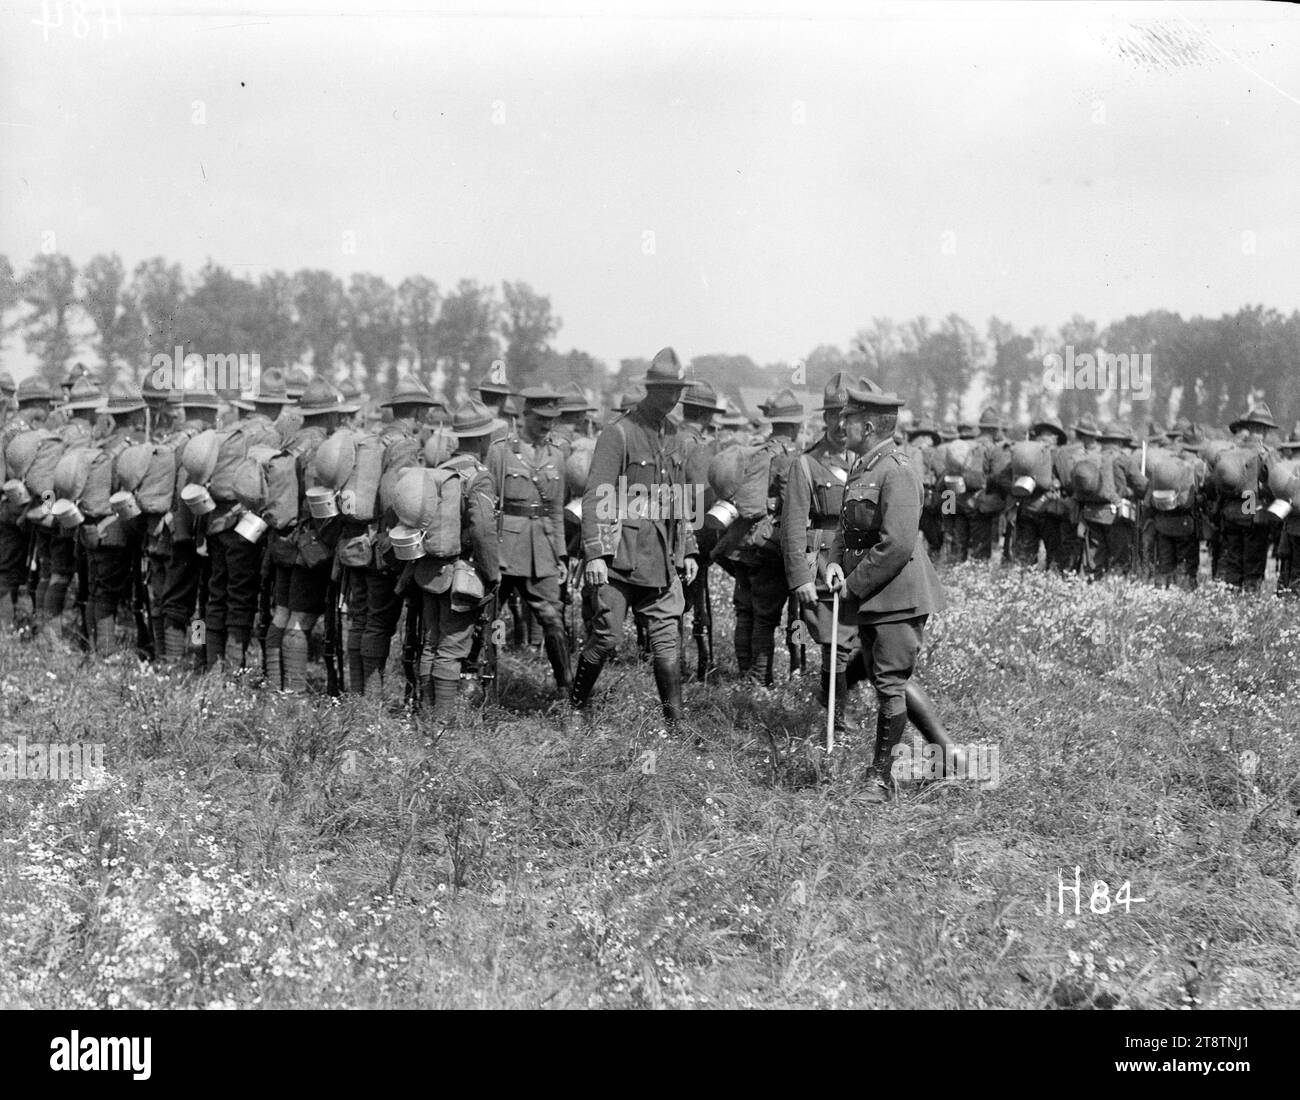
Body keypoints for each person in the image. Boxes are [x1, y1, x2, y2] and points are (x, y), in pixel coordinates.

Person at [826, 382, 946, 802]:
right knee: (884, 677)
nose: (843, 427)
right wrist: (835, 564)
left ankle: (880, 780)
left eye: (851, 420)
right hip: (874, 593)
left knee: (890, 682)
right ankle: (946, 757)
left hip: (897, 594)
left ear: (871, 425)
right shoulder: (863, 467)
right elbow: (847, 530)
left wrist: (853, 587)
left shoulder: (897, 469)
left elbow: (896, 544)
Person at [570, 347, 699, 731]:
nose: (673, 397)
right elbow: (596, 494)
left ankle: (675, 725)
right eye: (666, 390)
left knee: (666, 641)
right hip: (619, 556)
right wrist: (594, 553)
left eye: (678, 390)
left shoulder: (675, 435)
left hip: (661, 556)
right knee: (606, 637)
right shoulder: (619, 433)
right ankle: (576, 707)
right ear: (651, 389)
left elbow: (678, 496)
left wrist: (689, 547)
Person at [403, 399, 504, 725]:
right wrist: (492, 572)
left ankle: (426, 717)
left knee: (431, 644)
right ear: (483, 440)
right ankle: (442, 727)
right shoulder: (480, 477)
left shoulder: (440, 471)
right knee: (452, 649)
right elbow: (483, 529)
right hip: (463, 573)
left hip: (429, 570)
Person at [782, 372, 859, 735]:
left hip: (863, 562)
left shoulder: (868, 461)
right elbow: (793, 526)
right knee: (834, 643)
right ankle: (836, 717)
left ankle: (833, 700)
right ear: (825, 419)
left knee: (864, 641)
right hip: (823, 560)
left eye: (850, 416)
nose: (842, 425)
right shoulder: (806, 464)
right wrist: (800, 576)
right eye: (835, 416)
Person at [486, 385, 572, 693]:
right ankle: (485, 683)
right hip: (506, 548)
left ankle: (566, 691)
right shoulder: (501, 451)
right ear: (524, 416)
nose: (546, 426)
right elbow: (488, 504)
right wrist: (487, 552)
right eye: (540, 419)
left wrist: (561, 555)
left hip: (543, 549)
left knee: (553, 617)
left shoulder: (557, 456)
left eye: (551, 420)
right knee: (490, 616)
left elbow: (557, 511)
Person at [718, 388, 803, 685]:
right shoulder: (789, 459)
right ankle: (758, 680)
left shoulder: (755, 451)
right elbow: (792, 504)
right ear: (795, 426)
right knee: (765, 617)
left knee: (745, 612)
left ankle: (746, 675)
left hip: (739, 543)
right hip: (765, 546)